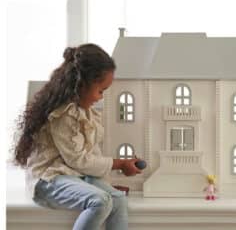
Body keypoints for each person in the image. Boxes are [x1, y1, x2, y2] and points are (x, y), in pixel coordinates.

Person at [13, 43, 141, 230]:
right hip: (50, 180)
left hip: (76, 177)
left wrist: (107, 184)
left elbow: (91, 155)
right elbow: (79, 160)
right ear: (80, 85)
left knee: (118, 200)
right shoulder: (64, 115)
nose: (101, 97)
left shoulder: (86, 112)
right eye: (100, 91)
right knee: (100, 201)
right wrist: (119, 164)